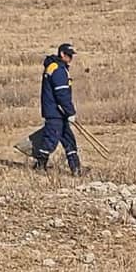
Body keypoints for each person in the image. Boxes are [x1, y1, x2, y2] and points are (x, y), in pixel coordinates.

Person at [32, 43, 80, 175]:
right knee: (50, 140)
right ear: (62, 54)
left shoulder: (55, 67)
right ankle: (39, 167)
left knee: (69, 140)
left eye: (72, 56)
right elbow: (62, 94)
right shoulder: (58, 69)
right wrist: (70, 112)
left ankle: (76, 170)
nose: (71, 58)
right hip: (55, 112)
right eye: (69, 55)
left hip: (59, 112)